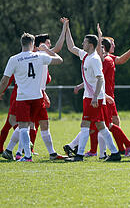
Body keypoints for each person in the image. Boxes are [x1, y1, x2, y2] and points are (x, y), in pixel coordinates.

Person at [0, 33, 63, 161]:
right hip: (38, 97)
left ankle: (27, 155)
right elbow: (59, 60)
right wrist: (47, 50)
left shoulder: (14, 59)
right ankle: (44, 153)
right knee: (39, 125)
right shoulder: (40, 56)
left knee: (23, 127)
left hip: (23, 98)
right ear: (33, 44)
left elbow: (4, 81)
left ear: (21, 44)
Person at [63, 21, 121, 162]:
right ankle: (115, 153)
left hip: (93, 98)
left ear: (90, 44)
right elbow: (71, 47)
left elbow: (101, 79)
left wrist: (95, 97)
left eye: (84, 42)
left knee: (85, 125)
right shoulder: (86, 56)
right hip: (91, 97)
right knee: (101, 125)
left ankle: (79, 155)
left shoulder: (94, 59)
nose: (82, 44)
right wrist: (66, 28)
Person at [101, 36, 130, 127]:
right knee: (105, 123)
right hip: (104, 93)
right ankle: (123, 141)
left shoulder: (109, 58)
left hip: (109, 93)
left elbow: (121, 60)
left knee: (115, 120)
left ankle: (121, 141)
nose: (114, 46)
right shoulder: (105, 59)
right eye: (112, 44)